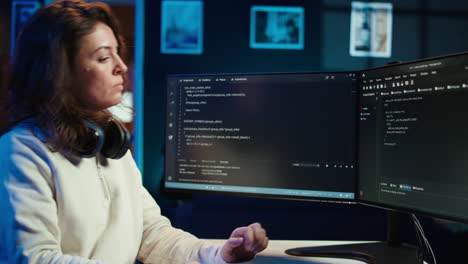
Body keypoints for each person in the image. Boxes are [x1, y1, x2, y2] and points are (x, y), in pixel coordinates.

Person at [0, 1, 268, 263]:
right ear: (59, 72)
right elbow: (34, 257)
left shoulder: (110, 145)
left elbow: (153, 235)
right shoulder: (21, 150)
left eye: (118, 52)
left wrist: (221, 254)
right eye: (104, 57)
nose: (122, 66)